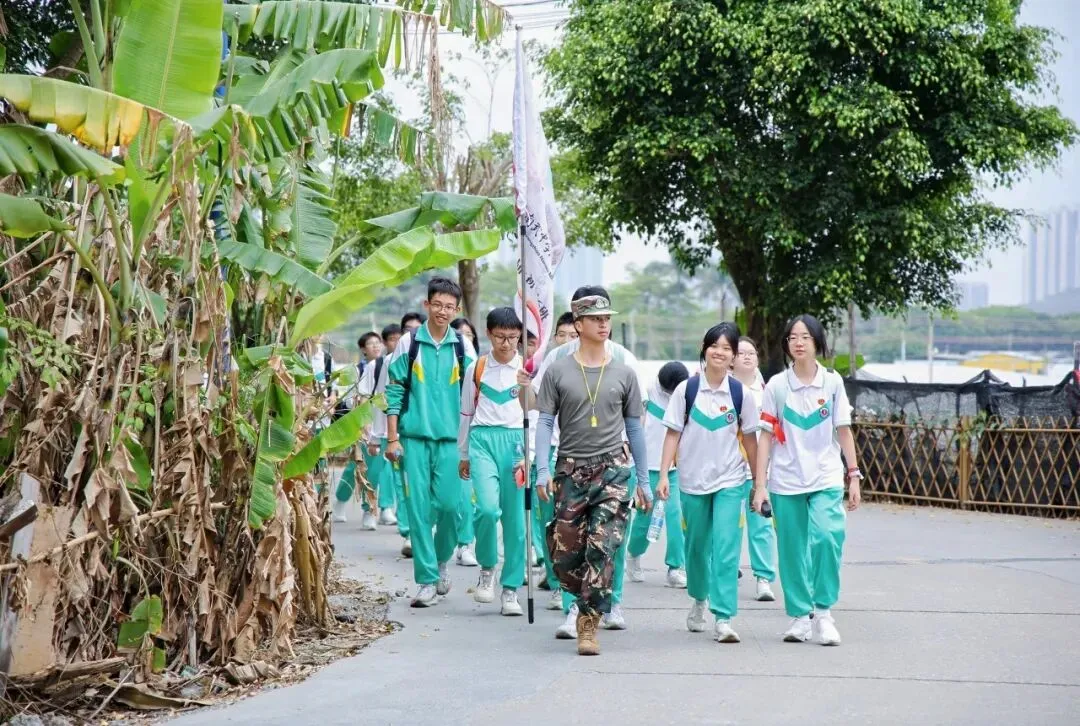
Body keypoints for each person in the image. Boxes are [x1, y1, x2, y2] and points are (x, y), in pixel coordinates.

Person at [535, 290, 651, 656]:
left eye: (607, 318)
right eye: (596, 318)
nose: (604, 324)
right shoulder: (557, 371)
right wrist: (541, 471)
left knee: (603, 548)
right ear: (578, 324)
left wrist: (643, 480)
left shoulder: (625, 372)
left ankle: (588, 624)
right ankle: (576, 599)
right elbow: (543, 422)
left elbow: (635, 430)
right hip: (570, 468)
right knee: (565, 550)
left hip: (613, 471)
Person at [752, 314, 862, 646]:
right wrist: (760, 485)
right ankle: (800, 616)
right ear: (786, 345)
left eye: (805, 337)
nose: (798, 343)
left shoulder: (832, 383)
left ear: (817, 342)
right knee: (791, 550)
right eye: (792, 338)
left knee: (828, 537)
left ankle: (824, 613)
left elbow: (843, 431)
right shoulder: (776, 386)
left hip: (826, 477)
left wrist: (853, 475)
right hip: (786, 481)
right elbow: (766, 437)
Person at [658, 323, 760, 643]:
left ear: (733, 356)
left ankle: (724, 616)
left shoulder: (740, 393)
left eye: (727, 348)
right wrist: (663, 474)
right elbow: (673, 433)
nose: (720, 352)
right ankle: (700, 598)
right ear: (705, 349)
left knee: (727, 548)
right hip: (691, 481)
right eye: (714, 345)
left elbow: (752, 440)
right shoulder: (686, 390)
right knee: (697, 548)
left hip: (731, 480)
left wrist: (759, 482)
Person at [386, 278, 476, 607]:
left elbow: (474, 395)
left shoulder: (462, 347)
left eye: (449, 306)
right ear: (427, 305)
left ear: (457, 310)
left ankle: (441, 561)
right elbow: (394, 390)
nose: (442, 311)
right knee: (419, 510)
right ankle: (426, 580)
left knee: (453, 507)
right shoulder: (409, 343)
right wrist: (392, 437)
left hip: (453, 441)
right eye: (436, 304)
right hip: (413, 439)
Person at [458, 307, 534, 616]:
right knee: (487, 509)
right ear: (488, 334)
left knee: (515, 521)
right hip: (483, 441)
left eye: (513, 338)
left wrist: (530, 457)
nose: (507, 344)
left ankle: (511, 588)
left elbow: (536, 415)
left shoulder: (526, 370)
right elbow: (465, 412)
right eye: (501, 337)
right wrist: (462, 454)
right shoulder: (477, 368)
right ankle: (487, 568)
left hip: (516, 443)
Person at [627, 361, 690, 589]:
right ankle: (633, 554)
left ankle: (675, 567)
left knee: (675, 516)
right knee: (645, 518)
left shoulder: (686, 394)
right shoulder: (647, 392)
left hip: (672, 469)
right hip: (644, 467)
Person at [731, 335, 778, 601]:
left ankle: (763, 578)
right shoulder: (723, 389)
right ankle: (728, 571)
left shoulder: (767, 391)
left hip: (759, 470)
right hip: (730, 471)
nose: (747, 356)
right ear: (732, 359)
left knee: (761, 526)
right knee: (730, 525)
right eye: (741, 352)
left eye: (752, 352)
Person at [450, 317, 480, 567]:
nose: (464, 337)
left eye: (469, 334)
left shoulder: (476, 365)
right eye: (460, 333)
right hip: (443, 434)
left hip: (475, 437)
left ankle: (466, 544)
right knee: (450, 498)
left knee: (470, 495)